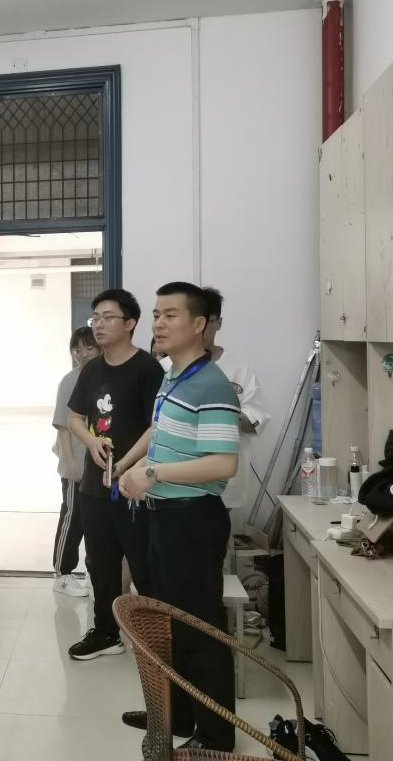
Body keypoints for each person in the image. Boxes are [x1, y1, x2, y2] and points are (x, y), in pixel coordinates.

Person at [116, 281, 241, 752]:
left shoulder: (213, 385)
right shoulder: (173, 375)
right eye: (156, 314)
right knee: (168, 622)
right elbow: (159, 428)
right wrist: (128, 464)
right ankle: (178, 715)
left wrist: (153, 473)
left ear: (199, 324)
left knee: (199, 629)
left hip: (192, 520)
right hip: (163, 516)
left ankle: (215, 737)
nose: (159, 323)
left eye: (170, 315)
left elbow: (222, 463)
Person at [65, 289, 163, 660]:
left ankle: (157, 637)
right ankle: (106, 632)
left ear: (130, 323)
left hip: (135, 485)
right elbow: (75, 418)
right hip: (96, 485)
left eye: (108, 317)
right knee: (101, 563)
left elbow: (157, 426)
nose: (99, 324)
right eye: (96, 317)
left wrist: (126, 465)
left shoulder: (147, 369)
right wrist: (91, 442)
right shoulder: (91, 369)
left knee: (144, 563)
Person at [201, 287, 270, 530]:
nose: (201, 328)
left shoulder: (239, 369)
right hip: (179, 481)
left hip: (226, 478)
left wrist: (225, 413)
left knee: (216, 539)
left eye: (207, 322)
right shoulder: (166, 367)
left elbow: (257, 419)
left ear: (219, 323)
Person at [51, 326, 100, 597]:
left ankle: (94, 572)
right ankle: (63, 573)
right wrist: (70, 464)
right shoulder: (70, 380)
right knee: (74, 516)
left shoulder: (105, 376)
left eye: (88, 348)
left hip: (100, 463)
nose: (82, 354)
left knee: (96, 521)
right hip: (77, 463)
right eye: (77, 349)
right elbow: (62, 425)